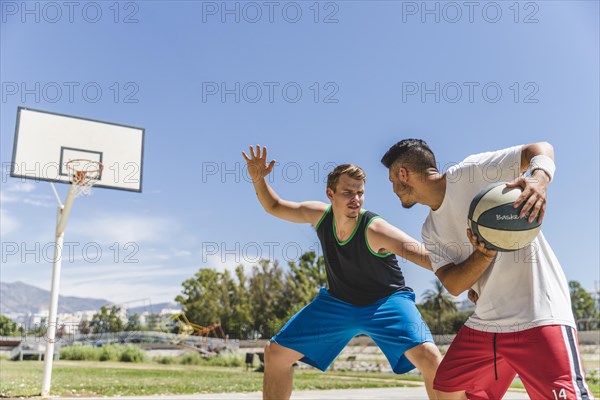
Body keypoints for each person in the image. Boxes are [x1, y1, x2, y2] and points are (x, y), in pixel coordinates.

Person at [381, 139, 594, 400]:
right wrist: (483, 255)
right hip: (487, 323)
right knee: (446, 387)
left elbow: (540, 148)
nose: (393, 189)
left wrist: (539, 180)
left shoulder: (471, 172)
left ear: (404, 174)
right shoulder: (430, 229)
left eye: (392, 180)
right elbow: (453, 284)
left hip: (538, 315)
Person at [242, 145, 442, 400]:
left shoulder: (375, 228)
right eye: (348, 193)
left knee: (431, 358)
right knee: (275, 353)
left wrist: (472, 279)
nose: (355, 199)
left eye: (360, 193)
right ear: (330, 194)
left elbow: (428, 258)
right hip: (338, 302)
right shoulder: (319, 216)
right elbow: (274, 205)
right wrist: (259, 179)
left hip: (386, 302)